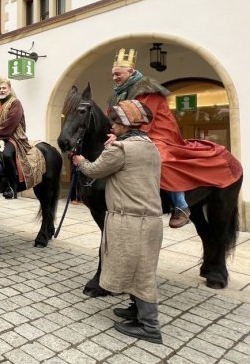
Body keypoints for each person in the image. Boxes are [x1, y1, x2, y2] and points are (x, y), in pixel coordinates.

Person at [107, 48, 242, 228]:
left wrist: (121, 136)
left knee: (161, 159)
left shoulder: (148, 92)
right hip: (132, 132)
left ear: (130, 72)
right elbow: (117, 118)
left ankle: (181, 206)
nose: (115, 78)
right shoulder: (120, 93)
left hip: (159, 133)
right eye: (113, 75)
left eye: (118, 74)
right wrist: (113, 134)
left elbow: (144, 120)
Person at [72, 100, 164, 344]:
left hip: (130, 220)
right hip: (149, 220)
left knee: (142, 274)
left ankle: (150, 326)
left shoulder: (120, 150)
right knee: (138, 268)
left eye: (116, 122)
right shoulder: (149, 145)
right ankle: (136, 311)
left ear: (126, 125)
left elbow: (94, 170)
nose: (112, 126)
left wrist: (80, 161)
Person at [0, 78, 45, 197]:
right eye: (0, 88)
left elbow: (11, 123)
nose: (1, 90)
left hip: (13, 137)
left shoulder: (15, 103)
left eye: (4, 88)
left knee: (7, 155)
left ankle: (12, 187)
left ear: (9, 89)